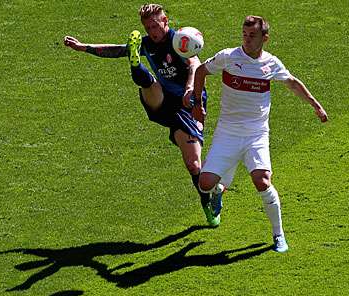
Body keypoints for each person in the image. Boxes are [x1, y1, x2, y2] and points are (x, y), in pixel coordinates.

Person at [63, 4, 222, 226]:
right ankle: (137, 67)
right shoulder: (147, 43)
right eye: (147, 27)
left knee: (194, 165)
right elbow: (116, 49)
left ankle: (210, 198)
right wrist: (84, 47)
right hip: (163, 100)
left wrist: (188, 89)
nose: (152, 32)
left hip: (188, 104)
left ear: (165, 21)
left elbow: (194, 64)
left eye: (155, 26)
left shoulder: (179, 40)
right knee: (149, 83)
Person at [190, 15, 328, 252]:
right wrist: (197, 104)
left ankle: (278, 235)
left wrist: (315, 105)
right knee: (204, 183)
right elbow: (201, 71)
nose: (246, 39)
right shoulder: (229, 57)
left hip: (256, 133)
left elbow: (292, 82)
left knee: (262, 181)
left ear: (265, 38)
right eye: (244, 34)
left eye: (252, 35)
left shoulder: (271, 64)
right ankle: (219, 191)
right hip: (228, 131)